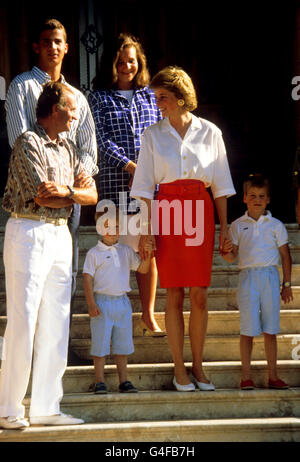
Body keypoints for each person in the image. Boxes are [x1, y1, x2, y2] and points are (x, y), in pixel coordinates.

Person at [130, 66, 236, 391]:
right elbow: (145, 187)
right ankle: (179, 369)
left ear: (179, 96)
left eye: (162, 97)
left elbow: (220, 186)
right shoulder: (152, 135)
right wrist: (146, 230)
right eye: (156, 97)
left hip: (199, 211)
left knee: (200, 294)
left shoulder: (210, 132)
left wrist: (225, 229)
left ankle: (199, 367)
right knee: (174, 293)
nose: (157, 103)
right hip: (168, 212)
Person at [0, 81, 98, 429]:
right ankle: (9, 408)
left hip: (60, 236)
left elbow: (92, 194)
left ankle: (46, 407)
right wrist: (73, 195)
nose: (75, 115)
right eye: (72, 108)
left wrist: (69, 192)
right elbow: (42, 197)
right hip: (28, 231)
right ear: (55, 108)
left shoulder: (70, 148)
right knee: (23, 321)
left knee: (56, 322)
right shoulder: (28, 142)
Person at [5, 18, 98, 362]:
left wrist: (78, 181)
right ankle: (27, 358)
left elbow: (88, 146)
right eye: (46, 41)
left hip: (67, 201)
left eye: (59, 41)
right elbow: (21, 139)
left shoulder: (79, 98)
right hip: (35, 201)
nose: (53, 47)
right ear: (36, 46)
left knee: (64, 279)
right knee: (31, 289)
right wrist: (51, 180)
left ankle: (58, 350)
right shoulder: (22, 87)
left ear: (67, 47)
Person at [88, 33, 164, 336]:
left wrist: (146, 169)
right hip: (115, 187)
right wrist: (129, 165)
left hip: (148, 189)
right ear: (112, 64)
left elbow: (160, 135)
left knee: (147, 249)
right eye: (120, 62)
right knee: (115, 252)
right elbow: (99, 140)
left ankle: (148, 313)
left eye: (131, 61)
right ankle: (111, 312)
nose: (126, 66)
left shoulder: (150, 96)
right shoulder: (98, 98)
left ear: (139, 63)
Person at [221, 174, 293, 390]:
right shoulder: (237, 225)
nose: (257, 200)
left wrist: (286, 284)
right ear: (244, 199)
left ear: (268, 200)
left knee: (270, 329)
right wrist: (225, 253)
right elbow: (232, 256)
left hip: (270, 277)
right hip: (248, 277)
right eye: (252, 195)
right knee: (248, 329)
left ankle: (273, 375)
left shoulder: (276, 225)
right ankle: (246, 376)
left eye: (262, 196)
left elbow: (286, 256)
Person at [83, 204, 153, 394]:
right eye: (107, 227)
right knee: (100, 344)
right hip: (102, 303)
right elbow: (87, 278)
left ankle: (124, 381)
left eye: (116, 227)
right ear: (99, 228)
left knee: (122, 345)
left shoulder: (125, 251)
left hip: (122, 303)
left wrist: (148, 253)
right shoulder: (94, 254)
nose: (112, 232)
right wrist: (91, 303)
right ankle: (99, 381)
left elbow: (143, 269)